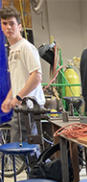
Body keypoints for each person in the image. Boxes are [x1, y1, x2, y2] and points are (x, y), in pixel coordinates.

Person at [0, 7, 44, 142]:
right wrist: (9, 98)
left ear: (19, 26)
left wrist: (18, 97)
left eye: (12, 23)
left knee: (22, 150)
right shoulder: (13, 50)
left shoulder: (26, 47)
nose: (8, 27)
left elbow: (36, 76)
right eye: (5, 23)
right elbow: (19, 80)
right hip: (21, 107)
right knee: (23, 150)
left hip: (29, 108)